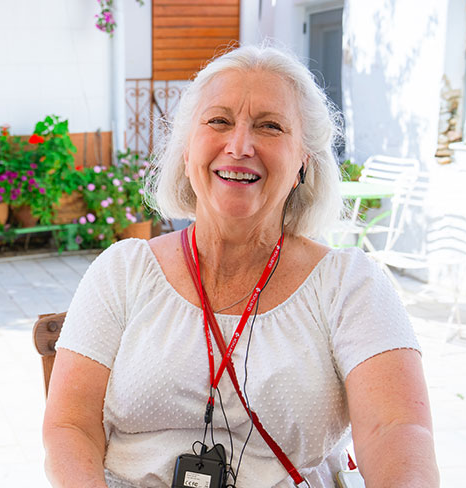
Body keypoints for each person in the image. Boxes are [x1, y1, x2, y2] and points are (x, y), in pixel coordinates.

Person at [42, 45, 439, 488]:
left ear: (303, 161)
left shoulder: (350, 284)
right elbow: (69, 426)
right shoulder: (123, 269)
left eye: (270, 126)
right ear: (187, 148)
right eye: (219, 121)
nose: (240, 145)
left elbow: (397, 430)